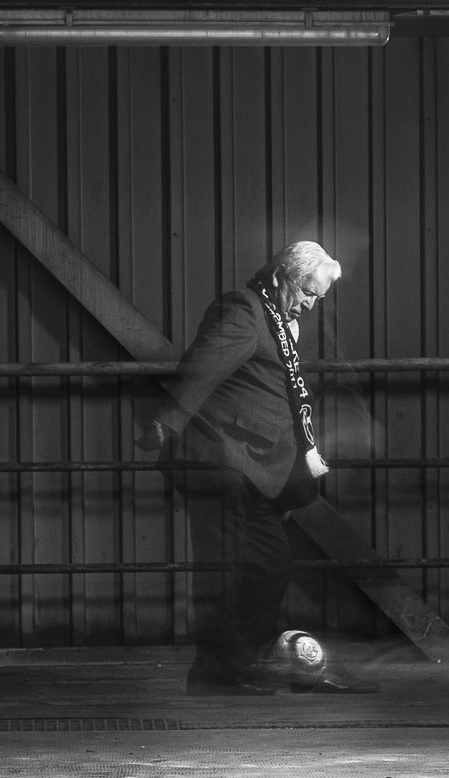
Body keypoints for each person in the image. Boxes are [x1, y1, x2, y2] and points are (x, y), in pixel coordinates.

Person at [138, 241, 378, 696]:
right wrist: (165, 423)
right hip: (217, 458)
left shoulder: (282, 323)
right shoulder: (244, 312)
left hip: (256, 467)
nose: (310, 305)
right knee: (226, 567)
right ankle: (215, 671)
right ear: (283, 277)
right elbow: (200, 370)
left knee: (272, 562)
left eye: (317, 298)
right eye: (308, 293)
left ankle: (245, 661)